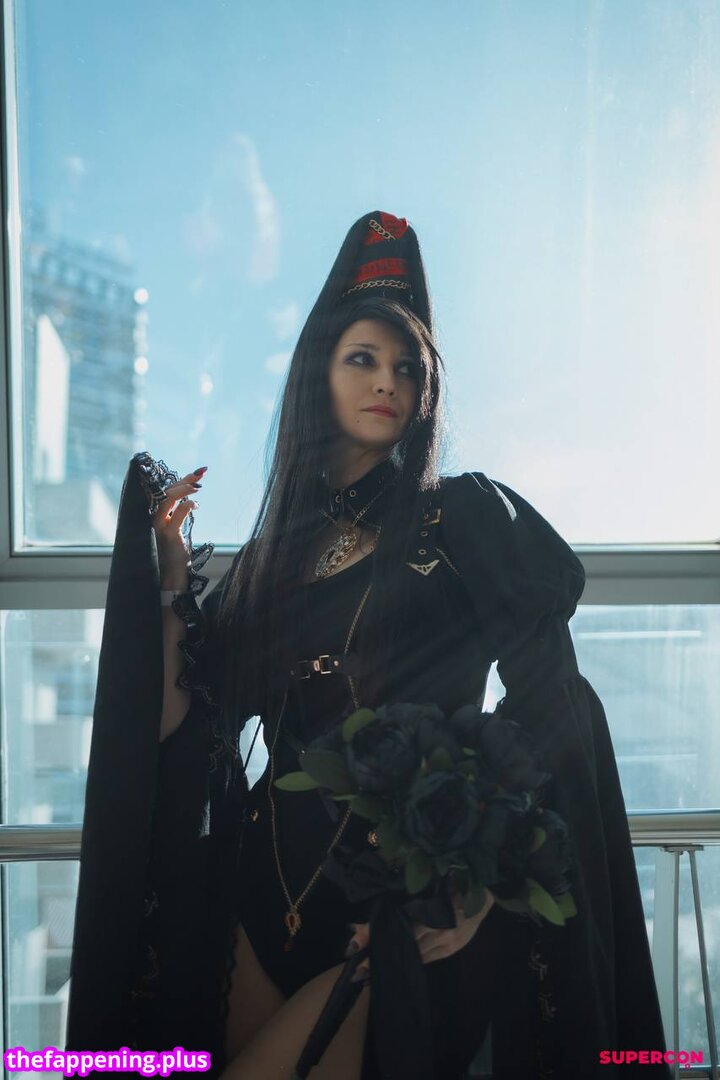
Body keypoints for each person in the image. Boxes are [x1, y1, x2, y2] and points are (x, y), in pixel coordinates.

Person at [66, 211, 669, 1079]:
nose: (387, 381)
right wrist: (167, 579)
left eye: (407, 367)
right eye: (362, 359)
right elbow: (180, 725)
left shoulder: (463, 523)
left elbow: (553, 714)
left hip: (396, 914)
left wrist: (484, 880)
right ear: (319, 376)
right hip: (254, 903)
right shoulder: (270, 563)